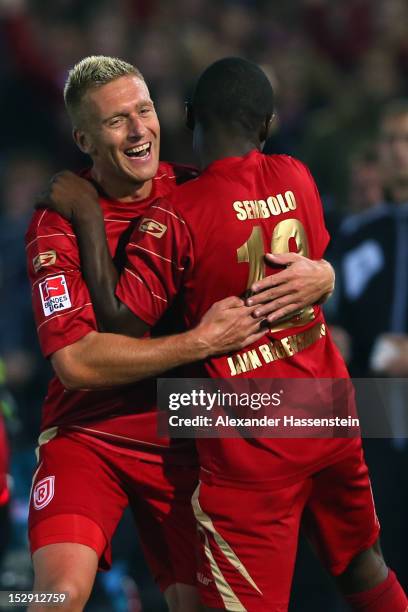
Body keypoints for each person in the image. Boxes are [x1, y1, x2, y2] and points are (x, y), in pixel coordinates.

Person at [44, 58, 407, 612]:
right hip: (326, 410)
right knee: (363, 564)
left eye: (145, 111)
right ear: (269, 123)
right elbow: (77, 362)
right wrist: (324, 272)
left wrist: (90, 219)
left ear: (186, 116)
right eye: (121, 119)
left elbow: (121, 322)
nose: (140, 128)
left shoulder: (181, 209)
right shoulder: (297, 173)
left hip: (248, 434)